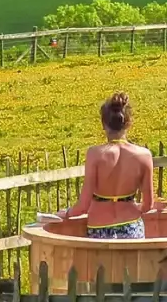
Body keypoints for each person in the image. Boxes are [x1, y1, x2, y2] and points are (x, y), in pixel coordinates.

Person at [56, 92, 161, 239]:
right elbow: (148, 205)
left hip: (99, 227)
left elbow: (83, 205)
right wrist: (133, 206)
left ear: (104, 124)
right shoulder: (144, 155)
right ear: (129, 123)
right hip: (131, 226)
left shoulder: (95, 154)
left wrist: (66, 213)